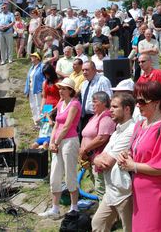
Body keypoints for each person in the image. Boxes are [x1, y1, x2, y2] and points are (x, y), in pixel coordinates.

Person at [116, 81, 161, 232]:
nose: (138, 105)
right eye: (136, 100)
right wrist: (126, 155)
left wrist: (133, 166)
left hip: (157, 194)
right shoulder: (140, 125)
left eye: (142, 101)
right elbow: (135, 151)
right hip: (139, 193)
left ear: (156, 103)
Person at [91, 92, 136, 232]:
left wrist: (97, 159)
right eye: (110, 106)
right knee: (98, 224)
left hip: (124, 191)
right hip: (111, 190)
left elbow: (107, 162)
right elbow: (101, 157)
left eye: (115, 107)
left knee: (130, 229)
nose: (110, 110)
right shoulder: (117, 131)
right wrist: (96, 159)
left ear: (127, 109)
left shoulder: (131, 130)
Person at [41, 78, 82, 219]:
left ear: (70, 90)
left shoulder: (75, 104)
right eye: (60, 88)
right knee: (55, 176)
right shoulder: (60, 104)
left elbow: (67, 125)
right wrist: (52, 141)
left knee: (70, 175)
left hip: (69, 141)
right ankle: (55, 208)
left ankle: (74, 207)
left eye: (63, 88)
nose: (60, 90)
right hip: (58, 142)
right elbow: (57, 125)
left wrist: (56, 142)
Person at [80, 91, 114, 197]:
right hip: (90, 157)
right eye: (92, 101)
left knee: (102, 190)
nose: (92, 104)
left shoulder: (106, 117)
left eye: (95, 101)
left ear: (104, 103)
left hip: (99, 157)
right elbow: (86, 135)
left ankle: (104, 212)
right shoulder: (94, 117)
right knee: (97, 187)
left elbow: (101, 138)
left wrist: (85, 149)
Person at [136, 54, 161, 120]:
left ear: (150, 62)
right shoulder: (140, 79)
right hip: (148, 112)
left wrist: (150, 96)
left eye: (143, 61)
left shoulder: (158, 73)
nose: (140, 64)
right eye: (139, 62)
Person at [25, 52, 45, 126]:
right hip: (31, 90)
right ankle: (36, 122)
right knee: (33, 106)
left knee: (39, 105)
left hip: (39, 89)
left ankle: (42, 122)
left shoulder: (42, 66)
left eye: (33, 56)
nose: (31, 57)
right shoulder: (32, 67)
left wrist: (43, 89)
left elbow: (45, 78)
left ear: (37, 58)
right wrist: (27, 90)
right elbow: (28, 80)